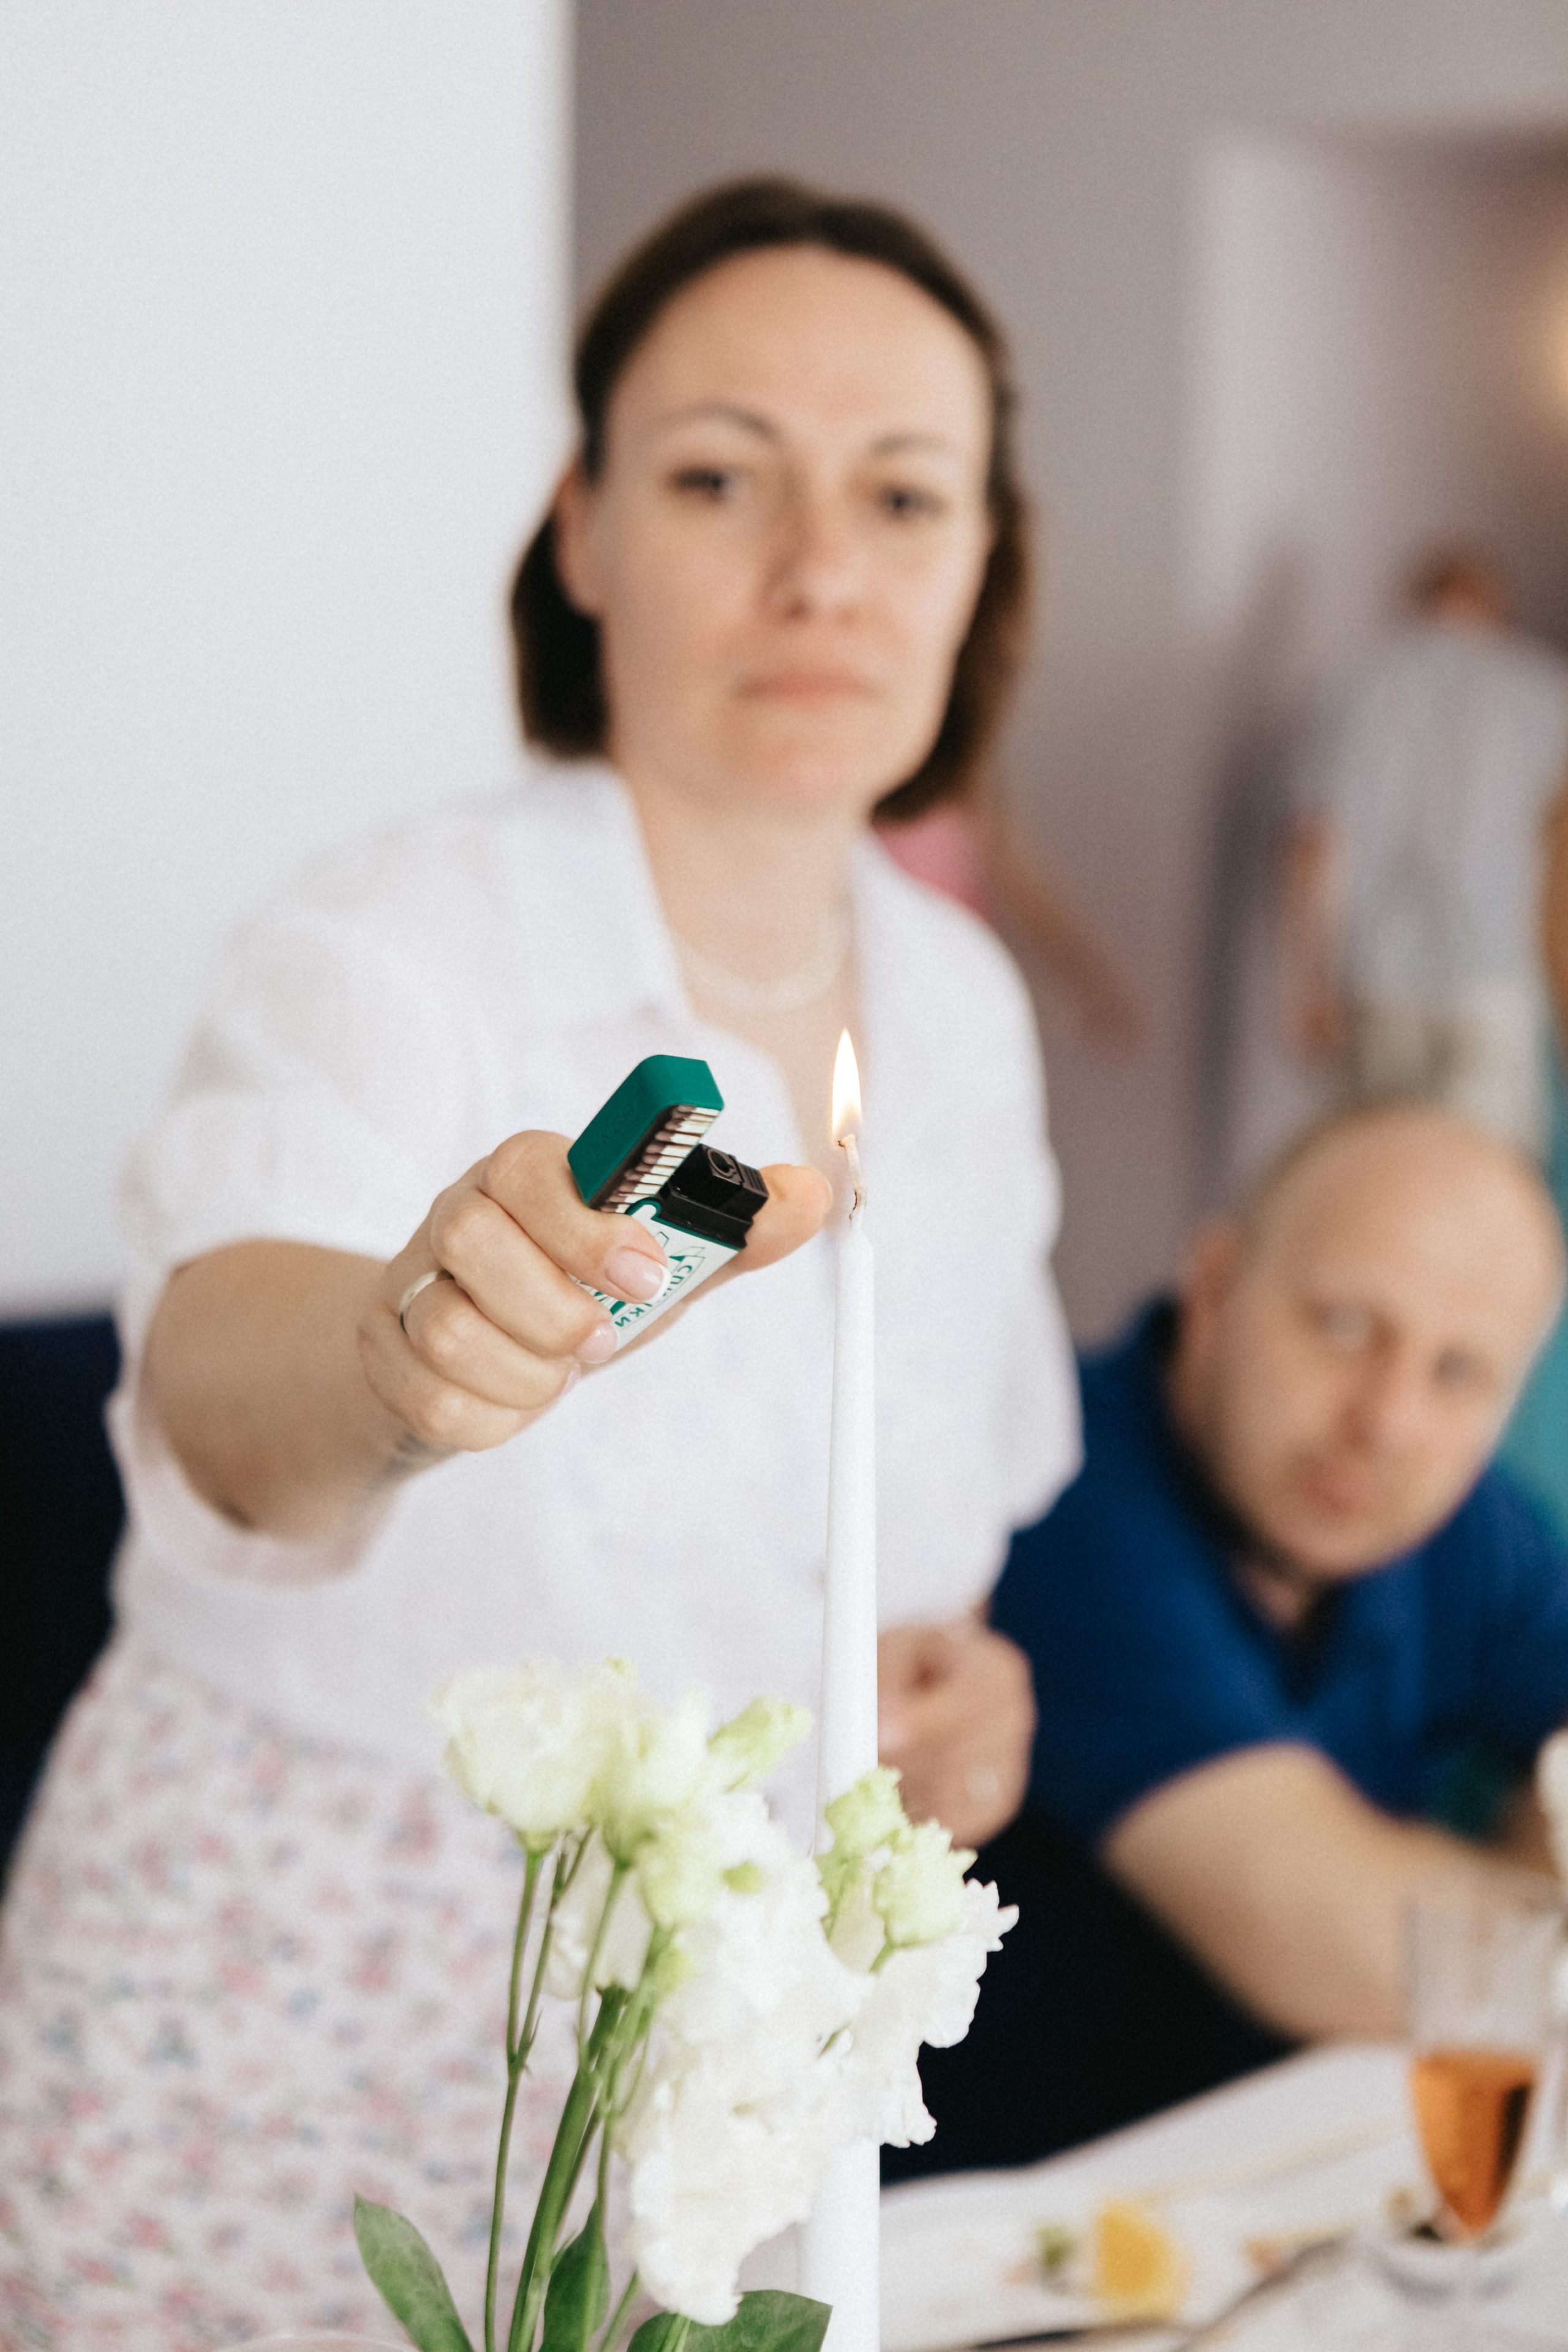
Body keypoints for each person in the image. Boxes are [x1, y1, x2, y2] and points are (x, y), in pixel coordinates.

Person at [0, 179, 1079, 2346]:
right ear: (583, 533)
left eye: (903, 497)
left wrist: (956, 1714)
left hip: (704, 2083)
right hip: (272, 2047)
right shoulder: (393, 945)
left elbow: (920, 1560)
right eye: (718, 478)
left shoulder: (959, 1007)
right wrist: (406, 1363)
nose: (821, 575)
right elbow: (230, 1393)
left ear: (982, 568)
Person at [888, 1101, 1568, 2178]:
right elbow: (1340, 1944)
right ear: (1213, 1288)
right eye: (1345, 1327)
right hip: (994, 2270)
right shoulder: (1053, 1492)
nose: (1387, 1419)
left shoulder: (1464, 1527)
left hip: (1268, 2211)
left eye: (1457, 1375)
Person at [1281, 549, 1568, 1159]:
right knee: (1486, 1178)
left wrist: (1310, 978)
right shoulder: (1543, 692)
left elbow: (1318, 844)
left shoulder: (1355, 688)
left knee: (1386, 1171)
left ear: (1414, 603)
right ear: (1494, 609)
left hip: (1380, 981)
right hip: (1497, 978)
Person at [876, 780, 1142, 1048]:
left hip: (960, 994)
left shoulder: (969, 786)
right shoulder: (863, 795)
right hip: (884, 994)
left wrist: (1090, 982)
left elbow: (1024, 889)